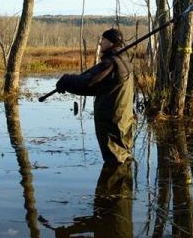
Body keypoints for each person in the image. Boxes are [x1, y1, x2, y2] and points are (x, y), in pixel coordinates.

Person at [55, 28, 135, 165]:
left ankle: (110, 186)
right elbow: (98, 88)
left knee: (114, 162)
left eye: (103, 40)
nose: (100, 43)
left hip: (112, 122)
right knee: (123, 160)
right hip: (125, 121)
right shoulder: (125, 62)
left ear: (111, 42)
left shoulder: (110, 64)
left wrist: (66, 80)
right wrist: (69, 86)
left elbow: (86, 82)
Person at [53, 161, 134, 238]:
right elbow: (95, 232)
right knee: (118, 161)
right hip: (116, 183)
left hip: (115, 181)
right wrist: (68, 234)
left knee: (117, 160)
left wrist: (69, 233)